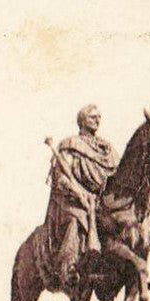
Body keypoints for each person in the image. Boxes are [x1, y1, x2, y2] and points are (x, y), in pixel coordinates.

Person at [44, 104, 118, 288]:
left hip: (100, 199)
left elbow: (117, 175)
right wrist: (78, 193)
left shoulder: (107, 149)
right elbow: (61, 178)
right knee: (77, 219)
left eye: (99, 116)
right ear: (82, 120)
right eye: (92, 116)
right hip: (72, 199)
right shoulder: (71, 144)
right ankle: (69, 267)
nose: (97, 119)